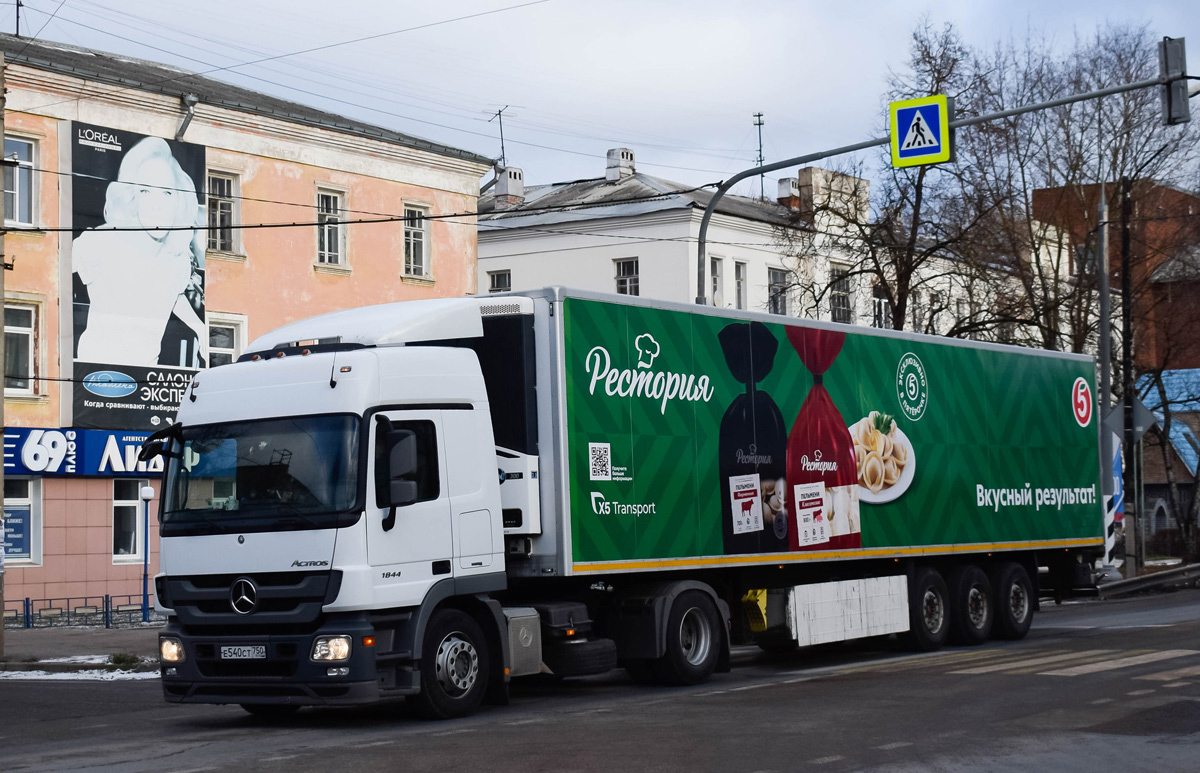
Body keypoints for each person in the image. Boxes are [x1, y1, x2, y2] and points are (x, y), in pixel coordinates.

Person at [73, 136, 206, 367]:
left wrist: (200, 328)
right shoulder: (101, 242)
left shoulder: (177, 259)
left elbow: (170, 294)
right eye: (146, 191)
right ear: (133, 198)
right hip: (95, 377)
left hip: (146, 378)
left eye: (167, 193)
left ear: (179, 200)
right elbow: (53, 272)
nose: (157, 204)